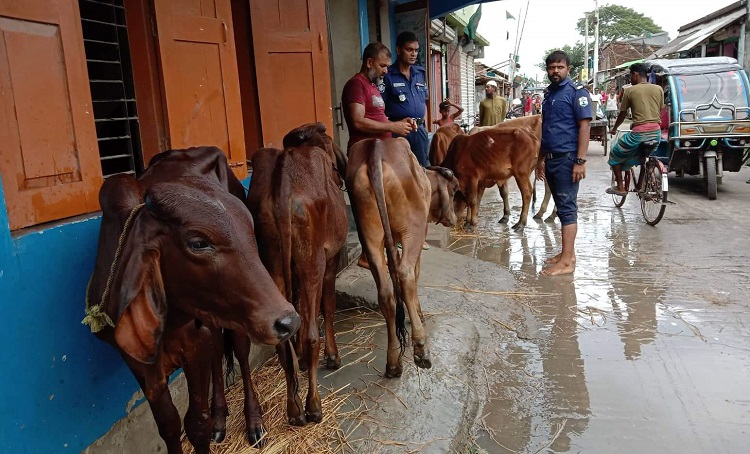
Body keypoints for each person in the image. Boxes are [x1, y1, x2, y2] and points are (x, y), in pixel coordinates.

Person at [536, 50, 592, 276]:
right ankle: (567, 254)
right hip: (551, 159)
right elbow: (546, 129)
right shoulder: (550, 94)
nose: (555, 71)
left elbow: (584, 127)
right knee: (561, 208)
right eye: (551, 67)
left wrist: (580, 161)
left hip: (567, 158)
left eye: (560, 67)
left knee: (567, 209)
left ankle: (567, 262)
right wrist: (540, 159)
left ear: (568, 69)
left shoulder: (577, 93)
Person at [341, 42, 415, 151]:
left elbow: (378, 119)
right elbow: (358, 121)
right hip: (365, 151)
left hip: (382, 149)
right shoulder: (356, 84)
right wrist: (392, 127)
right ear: (370, 62)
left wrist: (400, 124)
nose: (386, 71)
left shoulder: (373, 85)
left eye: (387, 67)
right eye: (382, 66)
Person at [607, 63, 664, 195]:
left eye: (630, 76)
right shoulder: (658, 89)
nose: (630, 79)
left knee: (615, 154)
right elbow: (660, 109)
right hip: (656, 133)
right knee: (644, 155)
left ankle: (620, 187)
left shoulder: (630, 91)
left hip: (639, 135)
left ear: (635, 74)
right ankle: (642, 185)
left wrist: (614, 128)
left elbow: (622, 114)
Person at [382, 31, 429, 167]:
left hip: (419, 131)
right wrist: (391, 127)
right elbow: (380, 108)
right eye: (409, 50)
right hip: (397, 132)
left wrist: (422, 125)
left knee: (421, 172)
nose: (413, 54)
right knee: (399, 173)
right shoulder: (387, 75)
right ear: (398, 50)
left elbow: (423, 101)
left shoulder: (420, 73)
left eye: (415, 50)